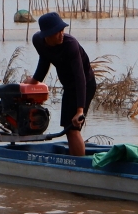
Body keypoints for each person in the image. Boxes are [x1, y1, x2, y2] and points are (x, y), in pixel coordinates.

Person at [24, 12, 97, 156]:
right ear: (46, 35)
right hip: (69, 87)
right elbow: (45, 59)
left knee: (72, 128)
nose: (62, 34)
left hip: (85, 85)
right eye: (57, 32)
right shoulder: (37, 41)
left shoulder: (70, 45)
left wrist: (79, 111)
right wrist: (33, 82)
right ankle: (75, 159)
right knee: (67, 126)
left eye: (62, 30)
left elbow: (80, 77)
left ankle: (78, 167)